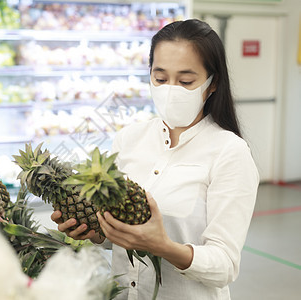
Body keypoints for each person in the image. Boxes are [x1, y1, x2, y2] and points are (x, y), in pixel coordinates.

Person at [51, 18, 259, 300]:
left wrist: (164, 246)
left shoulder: (229, 152)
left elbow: (225, 265)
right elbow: (120, 235)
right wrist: (96, 233)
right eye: (160, 78)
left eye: (186, 81)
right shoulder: (128, 140)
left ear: (212, 84)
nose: (170, 89)